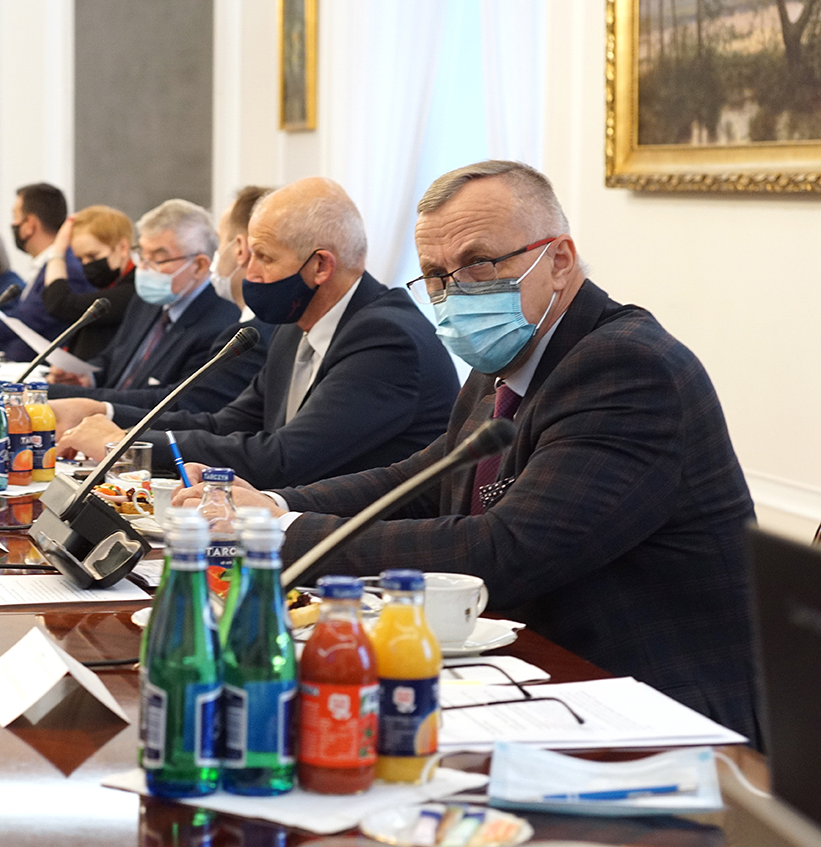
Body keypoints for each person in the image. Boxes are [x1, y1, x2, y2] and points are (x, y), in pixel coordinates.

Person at [176, 160, 760, 744]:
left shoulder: (625, 368)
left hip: (657, 715)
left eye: (478, 262)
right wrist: (273, 506)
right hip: (532, 679)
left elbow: (506, 550)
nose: (452, 292)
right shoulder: (509, 356)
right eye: (435, 275)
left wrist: (279, 535)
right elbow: (422, 480)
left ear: (559, 260)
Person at [54, 177, 459, 490]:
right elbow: (225, 424)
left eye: (264, 257)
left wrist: (123, 445)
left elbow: (283, 458)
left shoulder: (386, 340)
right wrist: (102, 414)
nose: (249, 274)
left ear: (321, 266)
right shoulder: (294, 327)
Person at [49, 187, 276, 433]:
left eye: (157, 259)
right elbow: (114, 357)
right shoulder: (146, 301)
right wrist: (86, 377)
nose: (144, 268)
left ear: (200, 265)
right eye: (141, 255)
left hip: (140, 435)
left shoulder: (222, 323)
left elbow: (179, 403)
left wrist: (84, 403)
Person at [0, 183, 94, 361]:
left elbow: (26, 323)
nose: (13, 224)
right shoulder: (44, 265)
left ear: (30, 224)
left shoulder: (65, 270)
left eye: (15, 217)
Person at [39, 205, 137, 360]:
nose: (86, 265)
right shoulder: (110, 285)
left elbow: (59, 303)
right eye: (80, 259)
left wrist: (58, 251)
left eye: (93, 256)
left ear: (123, 247)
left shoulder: (133, 289)